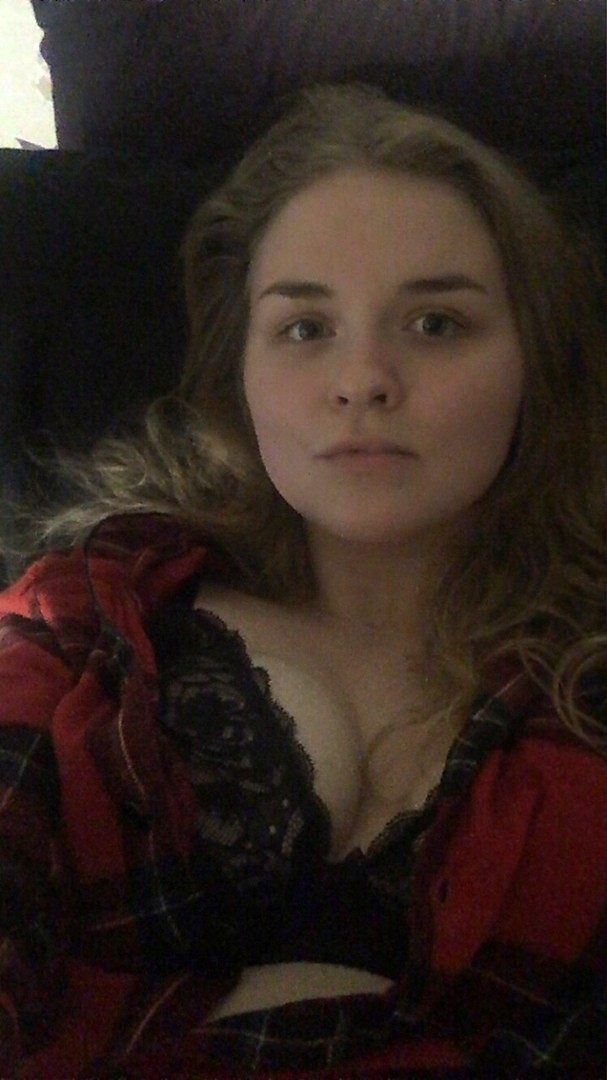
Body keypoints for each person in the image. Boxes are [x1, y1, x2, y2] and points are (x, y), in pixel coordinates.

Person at [0, 82, 605, 1079]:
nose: (362, 379)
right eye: (305, 328)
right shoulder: (89, 617)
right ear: (236, 373)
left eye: (435, 324)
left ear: (534, 364)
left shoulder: (585, 684)